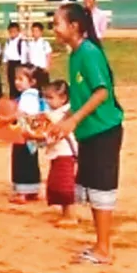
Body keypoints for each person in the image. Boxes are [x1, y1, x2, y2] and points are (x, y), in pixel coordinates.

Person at [45, 2, 123, 264]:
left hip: (104, 130)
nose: (54, 29)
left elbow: (102, 92)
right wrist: (63, 122)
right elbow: (80, 98)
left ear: (74, 26)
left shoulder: (89, 53)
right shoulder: (75, 55)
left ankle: (104, 249)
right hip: (89, 131)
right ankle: (100, 243)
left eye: (57, 23)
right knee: (91, 187)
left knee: (102, 188)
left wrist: (73, 120)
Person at [40, 79, 77, 226]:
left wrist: (35, 136)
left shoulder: (62, 115)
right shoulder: (53, 113)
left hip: (65, 154)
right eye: (45, 97)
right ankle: (65, 213)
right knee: (57, 183)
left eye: (50, 97)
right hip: (57, 153)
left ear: (63, 98)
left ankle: (71, 216)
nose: (47, 101)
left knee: (65, 185)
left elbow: (53, 135)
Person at [9, 65, 48, 204]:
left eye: (21, 79)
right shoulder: (36, 95)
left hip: (24, 134)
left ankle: (22, 193)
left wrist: (7, 117)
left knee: (21, 162)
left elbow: (22, 114)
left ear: (32, 82)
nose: (17, 82)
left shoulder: (27, 96)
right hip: (33, 134)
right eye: (16, 79)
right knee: (31, 161)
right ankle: (34, 189)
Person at [3, 22, 25, 99]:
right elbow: (5, 55)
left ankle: (20, 97)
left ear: (18, 32)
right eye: (11, 31)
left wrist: (22, 67)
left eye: (14, 31)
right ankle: (12, 97)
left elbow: (23, 55)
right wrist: (5, 65)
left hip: (18, 63)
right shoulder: (8, 42)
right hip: (11, 63)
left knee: (19, 82)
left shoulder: (21, 42)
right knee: (11, 81)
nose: (12, 33)